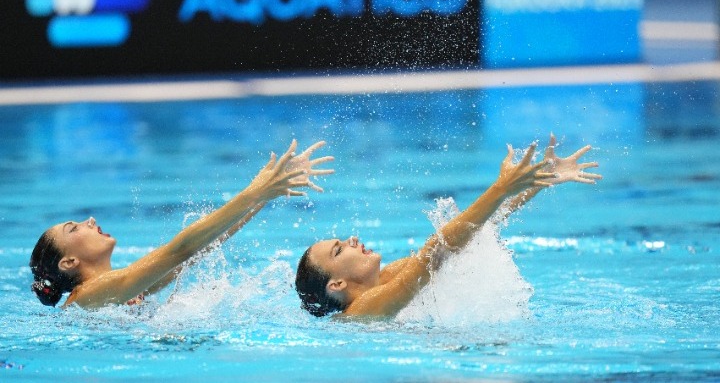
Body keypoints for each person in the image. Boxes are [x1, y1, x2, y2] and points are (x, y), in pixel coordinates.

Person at [295, 134, 602, 317]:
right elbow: (435, 254)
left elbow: (462, 238)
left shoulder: (385, 278)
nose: (351, 239)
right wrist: (500, 188)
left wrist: (535, 183)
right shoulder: (361, 311)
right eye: (339, 250)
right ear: (336, 285)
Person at [30, 140, 334, 308]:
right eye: (75, 228)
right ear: (69, 262)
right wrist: (253, 192)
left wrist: (265, 193)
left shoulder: (122, 286)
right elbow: (181, 249)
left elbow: (196, 249)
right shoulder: (89, 296)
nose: (90, 220)